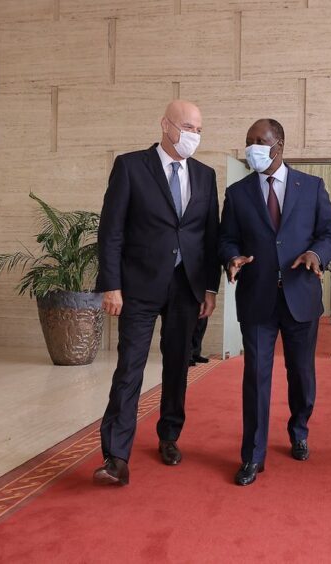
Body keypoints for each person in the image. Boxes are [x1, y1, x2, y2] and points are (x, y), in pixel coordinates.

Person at [93, 100, 220, 486]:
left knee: (178, 365)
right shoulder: (131, 166)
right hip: (138, 287)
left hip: (187, 287)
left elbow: (209, 235)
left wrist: (210, 286)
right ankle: (116, 456)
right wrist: (111, 285)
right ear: (166, 125)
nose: (193, 136)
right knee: (129, 368)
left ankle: (169, 435)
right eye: (187, 127)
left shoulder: (206, 174)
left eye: (199, 129)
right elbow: (111, 231)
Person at [218, 118, 331, 486]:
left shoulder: (312, 187)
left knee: (301, 374)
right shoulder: (238, 193)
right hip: (257, 298)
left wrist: (316, 254)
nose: (253, 146)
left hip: (300, 295)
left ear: (280, 145)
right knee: (256, 376)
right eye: (248, 140)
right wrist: (232, 257)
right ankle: (253, 455)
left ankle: (299, 428)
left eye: (261, 141)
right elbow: (226, 239)